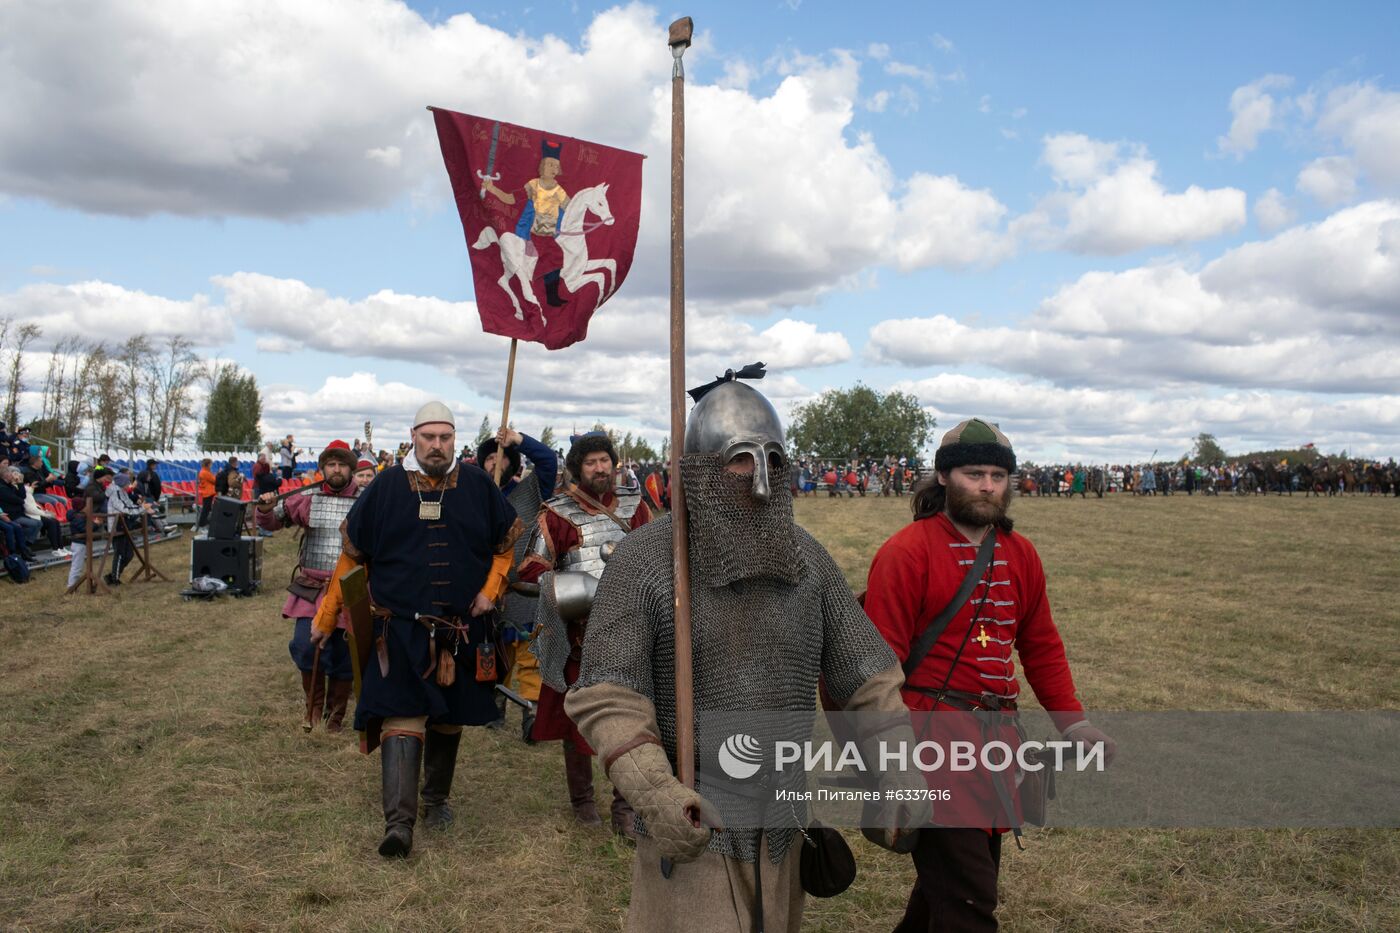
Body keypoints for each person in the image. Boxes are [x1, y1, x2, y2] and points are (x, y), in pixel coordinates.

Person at [565, 371, 928, 932]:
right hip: (696, 813)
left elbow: (869, 681)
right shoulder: (646, 562)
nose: (760, 480)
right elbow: (609, 698)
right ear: (701, 471)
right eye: (739, 459)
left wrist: (898, 772)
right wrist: (656, 791)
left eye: (774, 460)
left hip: (783, 817)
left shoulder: (806, 560)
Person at [862, 418, 1116, 932]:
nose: (987, 486)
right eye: (973, 473)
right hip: (929, 745)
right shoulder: (906, 553)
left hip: (996, 747)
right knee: (969, 903)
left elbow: (1041, 646)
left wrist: (1074, 724)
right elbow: (876, 668)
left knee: (946, 898)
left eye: (998, 475)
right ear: (942, 477)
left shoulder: (1020, 554)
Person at [310, 402, 520, 858]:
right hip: (399, 631)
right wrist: (326, 618)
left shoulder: (479, 484)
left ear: (454, 440)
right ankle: (399, 825)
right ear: (414, 437)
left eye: (445, 437)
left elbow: (506, 545)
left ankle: (436, 800)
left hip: (463, 628)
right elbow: (351, 558)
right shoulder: (385, 486)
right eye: (429, 437)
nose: (437, 446)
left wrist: (491, 589)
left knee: (448, 718)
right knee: (402, 717)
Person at [516, 431, 650, 836]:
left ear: (614, 464)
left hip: (631, 630)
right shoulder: (556, 514)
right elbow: (532, 568)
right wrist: (571, 590)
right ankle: (582, 802)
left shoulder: (635, 507)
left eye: (604, 460)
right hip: (579, 635)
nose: (599, 468)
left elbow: (654, 558)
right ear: (577, 468)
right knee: (578, 724)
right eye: (591, 462)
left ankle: (625, 807)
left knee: (634, 720)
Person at [256, 440, 362, 731]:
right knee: (305, 646)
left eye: (342, 464)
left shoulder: (366, 500)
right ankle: (313, 709)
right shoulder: (307, 498)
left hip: (350, 588)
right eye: (331, 464)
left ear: (351, 469)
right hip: (312, 586)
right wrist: (266, 508)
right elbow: (274, 520)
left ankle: (334, 717)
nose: (336, 469)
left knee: (343, 656)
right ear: (323, 469)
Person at [477, 426, 557, 739]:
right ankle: (492, 709)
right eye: (489, 459)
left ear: (513, 462)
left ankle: (532, 713)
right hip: (488, 588)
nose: (494, 463)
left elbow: (549, 461)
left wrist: (518, 441)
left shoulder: (531, 490)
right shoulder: (477, 495)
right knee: (494, 652)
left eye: (502, 457)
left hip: (525, 588)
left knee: (530, 652)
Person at [195, 458, 217, 531]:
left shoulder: (205, 471)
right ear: (208, 464)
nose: (211, 466)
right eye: (210, 464)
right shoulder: (205, 472)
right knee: (206, 509)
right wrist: (218, 474)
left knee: (207, 508)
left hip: (208, 492)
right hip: (207, 492)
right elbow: (214, 480)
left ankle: (203, 522)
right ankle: (202, 523)